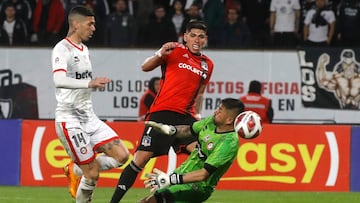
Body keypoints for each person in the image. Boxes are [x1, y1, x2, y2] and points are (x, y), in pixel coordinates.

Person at [110, 19, 214, 202]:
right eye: (193, 36)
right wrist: (159, 53)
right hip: (162, 113)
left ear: (205, 39)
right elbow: (145, 67)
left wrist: (198, 115)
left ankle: (164, 197)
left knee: (203, 153)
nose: (197, 40)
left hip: (186, 118)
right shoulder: (174, 50)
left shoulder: (207, 64)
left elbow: (200, 93)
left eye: (201, 36)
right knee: (140, 160)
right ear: (185, 37)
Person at [51, 6, 129, 202]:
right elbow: (59, 80)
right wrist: (90, 82)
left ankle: (74, 168)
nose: (94, 28)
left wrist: (91, 85)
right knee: (92, 174)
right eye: (90, 23)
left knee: (122, 155)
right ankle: (82, 174)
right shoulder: (62, 48)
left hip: (89, 117)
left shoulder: (84, 49)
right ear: (76, 24)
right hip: (70, 119)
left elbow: (78, 81)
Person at [138, 98, 245, 203]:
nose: (215, 112)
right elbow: (188, 130)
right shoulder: (211, 122)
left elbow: (203, 174)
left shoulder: (228, 144)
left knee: (149, 201)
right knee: (147, 201)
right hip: (182, 172)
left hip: (197, 186)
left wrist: (171, 179)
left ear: (229, 120)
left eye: (220, 110)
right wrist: (171, 130)